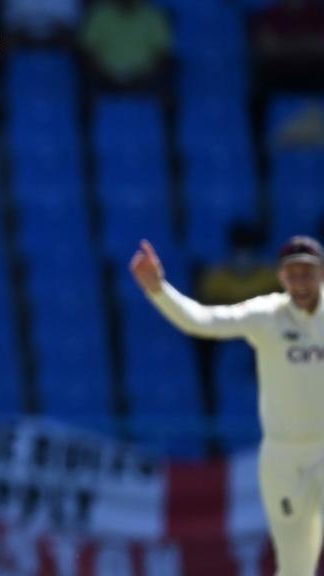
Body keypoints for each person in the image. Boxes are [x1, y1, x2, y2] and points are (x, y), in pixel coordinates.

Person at [131, 237, 324, 576]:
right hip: (284, 459)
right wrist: (159, 291)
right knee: (296, 567)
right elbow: (203, 321)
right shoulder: (268, 315)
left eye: (308, 272)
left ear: (321, 273)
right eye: (293, 273)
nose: (301, 282)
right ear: (281, 277)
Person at [80, 0, 172, 92]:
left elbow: (162, 49)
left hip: (145, 75)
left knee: (171, 66)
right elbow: (88, 47)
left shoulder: (152, 16)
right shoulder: (101, 15)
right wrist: (101, 68)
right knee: (84, 66)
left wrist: (147, 71)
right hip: (105, 74)